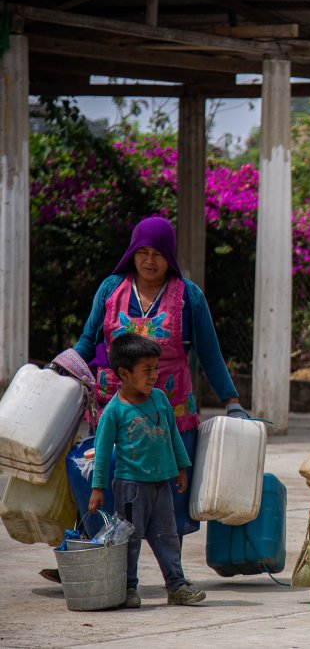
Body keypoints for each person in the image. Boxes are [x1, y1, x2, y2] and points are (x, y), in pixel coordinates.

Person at [71, 217, 244, 547]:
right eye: (142, 252)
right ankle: (93, 559)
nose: (149, 261)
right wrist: (61, 371)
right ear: (132, 253)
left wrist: (231, 400)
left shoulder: (188, 297)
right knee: (102, 486)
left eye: (158, 254)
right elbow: (88, 338)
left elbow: (210, 352)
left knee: (170, 501)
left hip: (170, 417)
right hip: (114, 411)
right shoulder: (111, 289)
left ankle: (173, 575)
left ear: (171, 257)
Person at [89, 333, 206, 608]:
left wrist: (181, 466)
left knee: (168, 537)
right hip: (130, 488)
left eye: (156, 368)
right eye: (147, 370)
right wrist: (97, 488)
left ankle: (176, 586)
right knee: (129, 540)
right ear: (124, 373)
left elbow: (173, 435)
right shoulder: (114, 412)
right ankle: (128, 588)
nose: (154, 375)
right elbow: (102, 453)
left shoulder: (161, 400)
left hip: (160, 485)